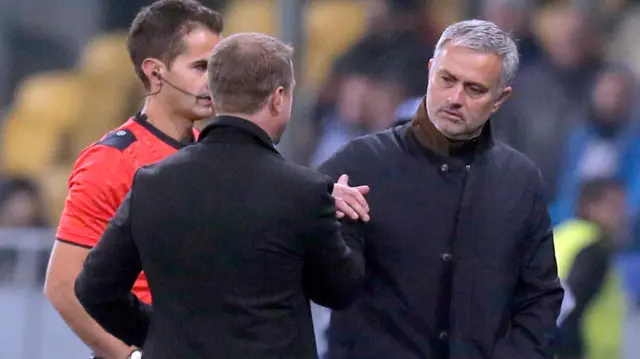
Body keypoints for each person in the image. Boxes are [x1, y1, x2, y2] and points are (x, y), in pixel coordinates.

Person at [74, 32, 366, 359]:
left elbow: (94, 288)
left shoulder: (152, 183)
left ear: (213, 93)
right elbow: (341, 290)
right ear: (278, 97)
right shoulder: (304, 193)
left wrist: (158, 333)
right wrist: (348, 220)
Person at [318, 19, 564, 359]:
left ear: (500, 99)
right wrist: (314, 211)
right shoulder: (359, 164)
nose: (455, 98)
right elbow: (305, 268)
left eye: (474, 89)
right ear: (431, 70)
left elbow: (540, 299)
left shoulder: (520, 182)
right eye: (447, 80)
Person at [43, 1, 224, 358]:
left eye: (218, 67)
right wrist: (129, 356)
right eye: (201, 67)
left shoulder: (217, 153)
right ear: (156, 74)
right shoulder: (112, 161)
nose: (213, 80)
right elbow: (63, 285)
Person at [553, 178, 627, 359]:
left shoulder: (562, 235)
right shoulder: (594, 249)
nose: (622, 215)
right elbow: (570, 306)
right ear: (590, 206)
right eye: (614, 206)